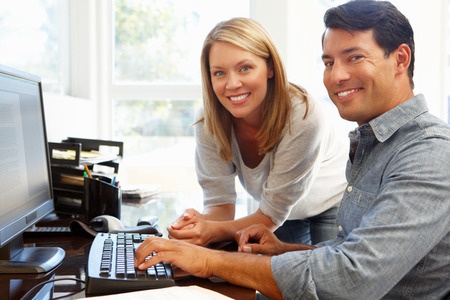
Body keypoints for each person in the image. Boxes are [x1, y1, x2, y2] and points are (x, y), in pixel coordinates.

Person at [135, 1, 450, 299]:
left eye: (354, 57)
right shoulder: (373, 143)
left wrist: (206, 260)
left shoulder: (430, 154)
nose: (336, 76)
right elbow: (348, 252)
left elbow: (349, 280)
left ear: (400, 59)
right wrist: (281, 251)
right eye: (329, 62)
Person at [168, 17, 349, 246]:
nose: (232, 84)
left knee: (325, 278)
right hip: (279, 213)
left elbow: (269, 218)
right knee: (261, 272)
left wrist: (211, 231)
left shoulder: (304, 116)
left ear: (270, 68)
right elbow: (220, 206)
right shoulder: (208, 120)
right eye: (219, 73)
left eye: (245, 68)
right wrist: (197, 226)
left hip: (330, 204)